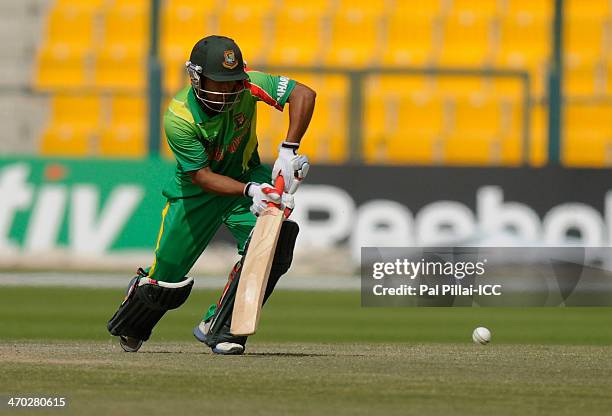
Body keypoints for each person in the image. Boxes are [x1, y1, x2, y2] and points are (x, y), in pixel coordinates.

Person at [107, 35, 315, 355]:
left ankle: (223, 328)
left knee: (273, 241)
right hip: (195, 194)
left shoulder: (249, 85)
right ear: (196, 77)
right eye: (218, 83)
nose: (228, 91)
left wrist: (288, 150)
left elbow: (303, 93)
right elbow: (201, 176)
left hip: (246, 176)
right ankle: (135, 314)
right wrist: (251, 190)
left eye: (233, 83)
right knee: (165, 285)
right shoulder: (179, 117)